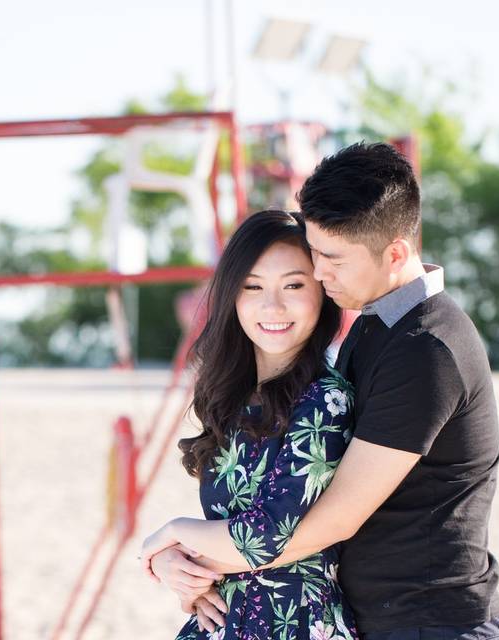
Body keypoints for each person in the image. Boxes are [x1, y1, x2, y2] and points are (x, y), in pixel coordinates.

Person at [151, 143, 499, 640]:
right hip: (374, 616)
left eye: (332, 259)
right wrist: (181, 565)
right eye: (315, 254)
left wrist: (172, 542)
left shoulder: (426, 347)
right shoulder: (376, 326)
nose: (320, 274)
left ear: (396, 253)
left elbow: (330, 521)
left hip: (431, 621)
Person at [139, 210, 359, 639]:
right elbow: (230, 533)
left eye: (293, 285)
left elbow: (267, 534)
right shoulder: (231, 398)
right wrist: (175, 568)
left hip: (296, 622)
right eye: (252, 286)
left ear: (321, 292)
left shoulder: (325, 400)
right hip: (222, 620)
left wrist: (172, 535)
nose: (272, 306)